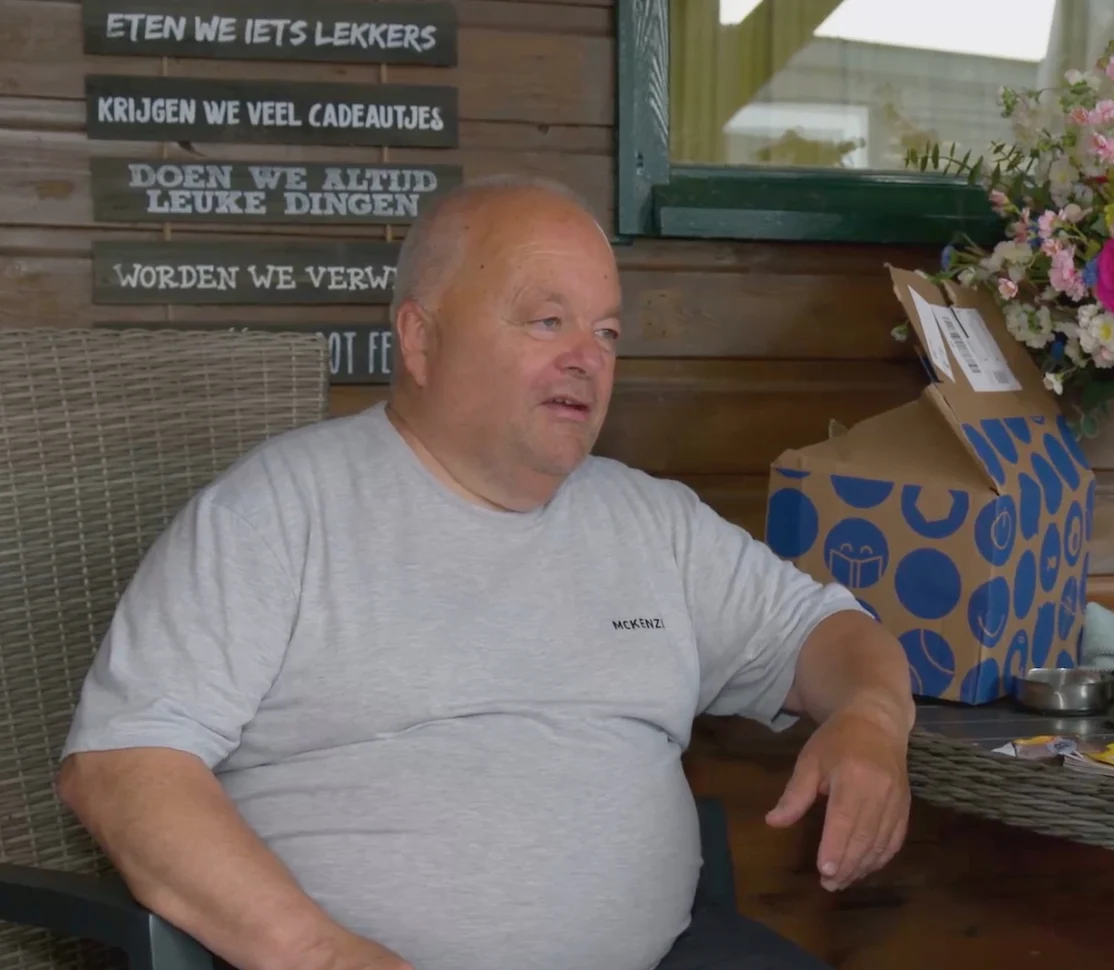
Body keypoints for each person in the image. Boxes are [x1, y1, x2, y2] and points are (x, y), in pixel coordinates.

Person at [55, 175, 917, 970]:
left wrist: (872, 718)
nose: (587, 356)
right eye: (548, 321)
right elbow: (124, 768)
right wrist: (321, 955)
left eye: (607, 331)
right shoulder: (278, 515)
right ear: (422, 340)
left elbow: (825, 633)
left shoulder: (651, 523)